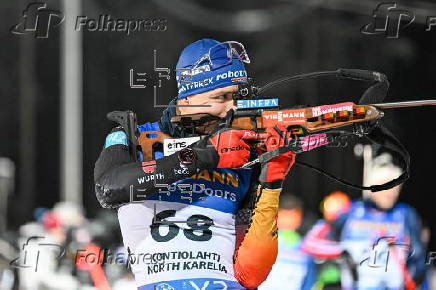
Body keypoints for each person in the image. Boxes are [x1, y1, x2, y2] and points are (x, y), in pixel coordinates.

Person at [94, 39, 296, 289]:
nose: (231, 109)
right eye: (221, 97)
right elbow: (109, 189)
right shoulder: (135, 137)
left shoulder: (243, 157)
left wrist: (272, 185)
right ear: (186, 98)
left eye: (237, 98)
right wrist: (204, 155)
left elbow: (250, 275)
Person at [302, 153, 427, 290]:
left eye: (396, 187)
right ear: (372, 186)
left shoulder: (405, 214)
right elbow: (312, 244)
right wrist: (344, 251)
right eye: (385, 186)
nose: (391, 192)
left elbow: (418, 256)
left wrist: (414, 279)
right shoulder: (350, 211)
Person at [258, 194, 317, 290]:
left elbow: (309, 282)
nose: (289, 219)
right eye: (286, 215)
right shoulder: (261, 241)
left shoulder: (306, 248)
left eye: (292, 216)